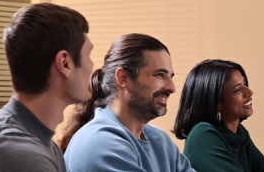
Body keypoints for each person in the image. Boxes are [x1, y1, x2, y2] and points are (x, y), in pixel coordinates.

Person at [61, 33, 194, 172]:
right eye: (159, 75)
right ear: (123, 78)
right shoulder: (99, 143)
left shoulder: (160, 140)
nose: (172, 88)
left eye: (170, 76)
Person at [0, 3, 93, 172]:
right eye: (88, 55)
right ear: (65, 63)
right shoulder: (24, 157)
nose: (91, 65)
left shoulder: (43, 144)